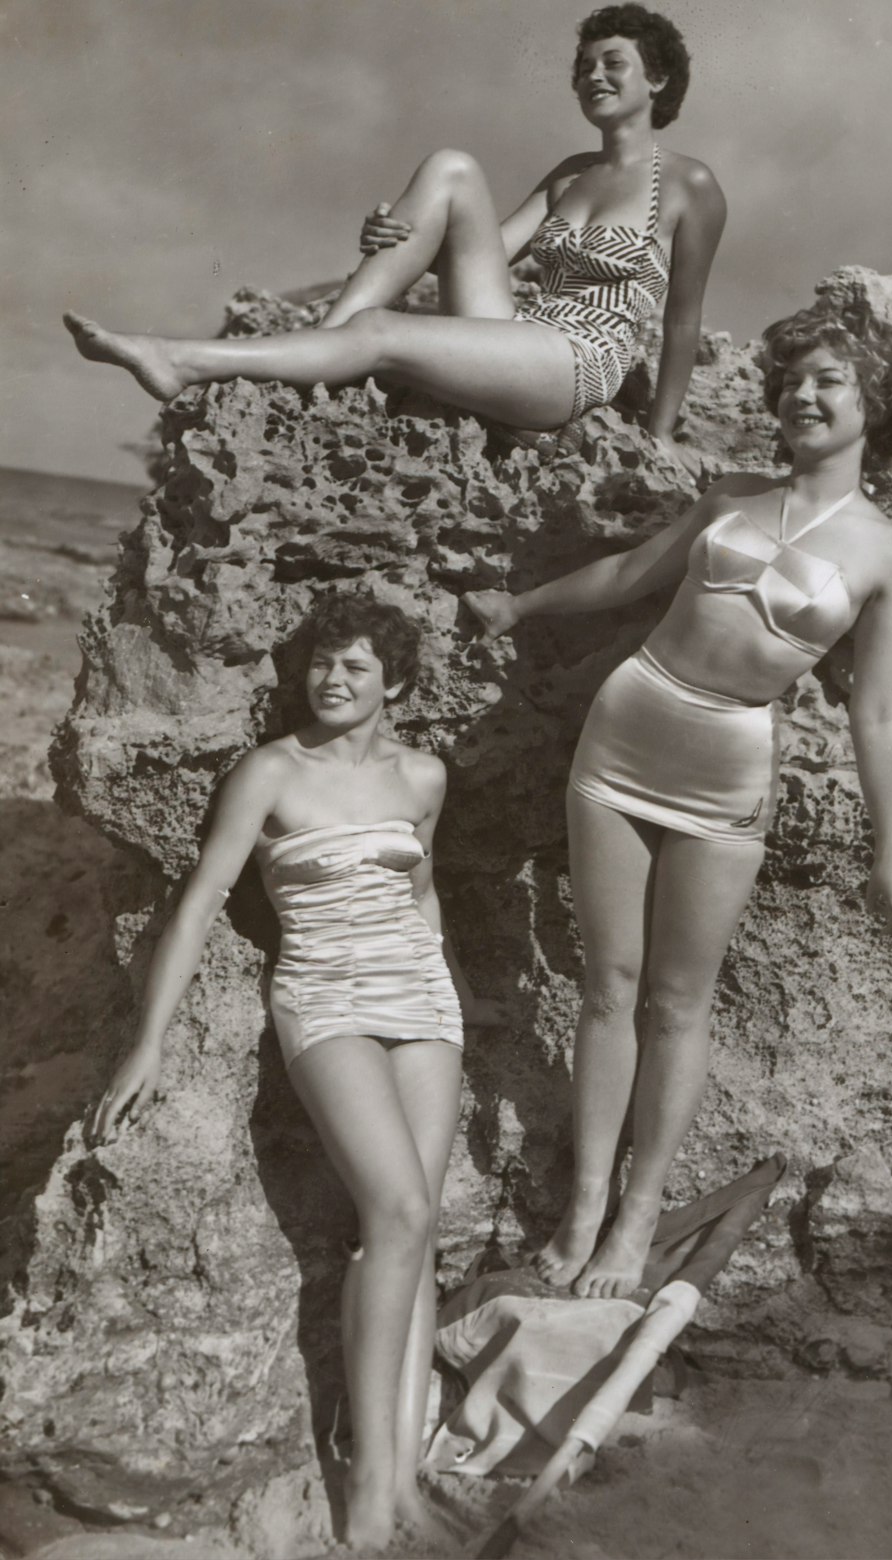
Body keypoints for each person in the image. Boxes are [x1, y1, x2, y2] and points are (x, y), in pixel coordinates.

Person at [464, 298, 892, 1301]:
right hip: (625, 731)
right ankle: (584, 1204)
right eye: (792, 380)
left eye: (830, 381)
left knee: (678, 1002)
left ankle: (637, 1216)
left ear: (879, 402)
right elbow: (631, 576)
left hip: (727, 767)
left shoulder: (890, 554)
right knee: (606, 985)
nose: (802, 396)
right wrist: (519, 605)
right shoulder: (729, 497)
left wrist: (890, 847)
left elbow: (880, 708)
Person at [91, 592, 498, 1553]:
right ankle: (368, 1494)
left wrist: (458, 990)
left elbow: (421, 889)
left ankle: (402, 1480)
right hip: (324, 996)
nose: (333, 679)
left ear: (396, 684)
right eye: (322, 661)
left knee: (416, 1230)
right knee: (398, 1210)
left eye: (356, 667)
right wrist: (149, 1040)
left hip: (421, 1000)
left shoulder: (423, 775)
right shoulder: (270, 770)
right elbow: (201, 901)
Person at [63, 5, 724, 458]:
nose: (591, 75)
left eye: (611, 63)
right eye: (583, 65)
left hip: (578, 363)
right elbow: (476, 255)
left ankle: (182, 359)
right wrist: (396, 231)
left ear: (658, 78)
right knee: (451, 167)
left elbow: (683, 322)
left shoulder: (689, 184)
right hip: (520, 335)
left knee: (380, 332)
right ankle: (329, 346)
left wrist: (661, 435)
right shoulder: (569, 174)